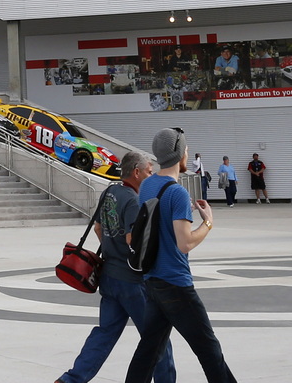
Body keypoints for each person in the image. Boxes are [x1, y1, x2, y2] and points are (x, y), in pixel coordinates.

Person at [121, 128, 238, 383]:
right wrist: (207, 223)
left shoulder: (147, 185)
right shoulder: (178, 193)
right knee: (209, 350)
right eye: (185, 149)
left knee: (149, 350)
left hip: (152, 280)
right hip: (175, 283)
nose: (187, 152)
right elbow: (185, 243)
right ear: (179, 154)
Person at [54, 150, 176, 383]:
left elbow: (99, 228)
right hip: (132, 282)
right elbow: (133, 239)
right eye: (149, 172)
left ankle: (71, 380)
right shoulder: (133, 200)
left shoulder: (110, 192)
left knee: (105, 333)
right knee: (157, 337)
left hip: (109, 277)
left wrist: (113, 250)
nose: (151, 176)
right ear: (137, 172)